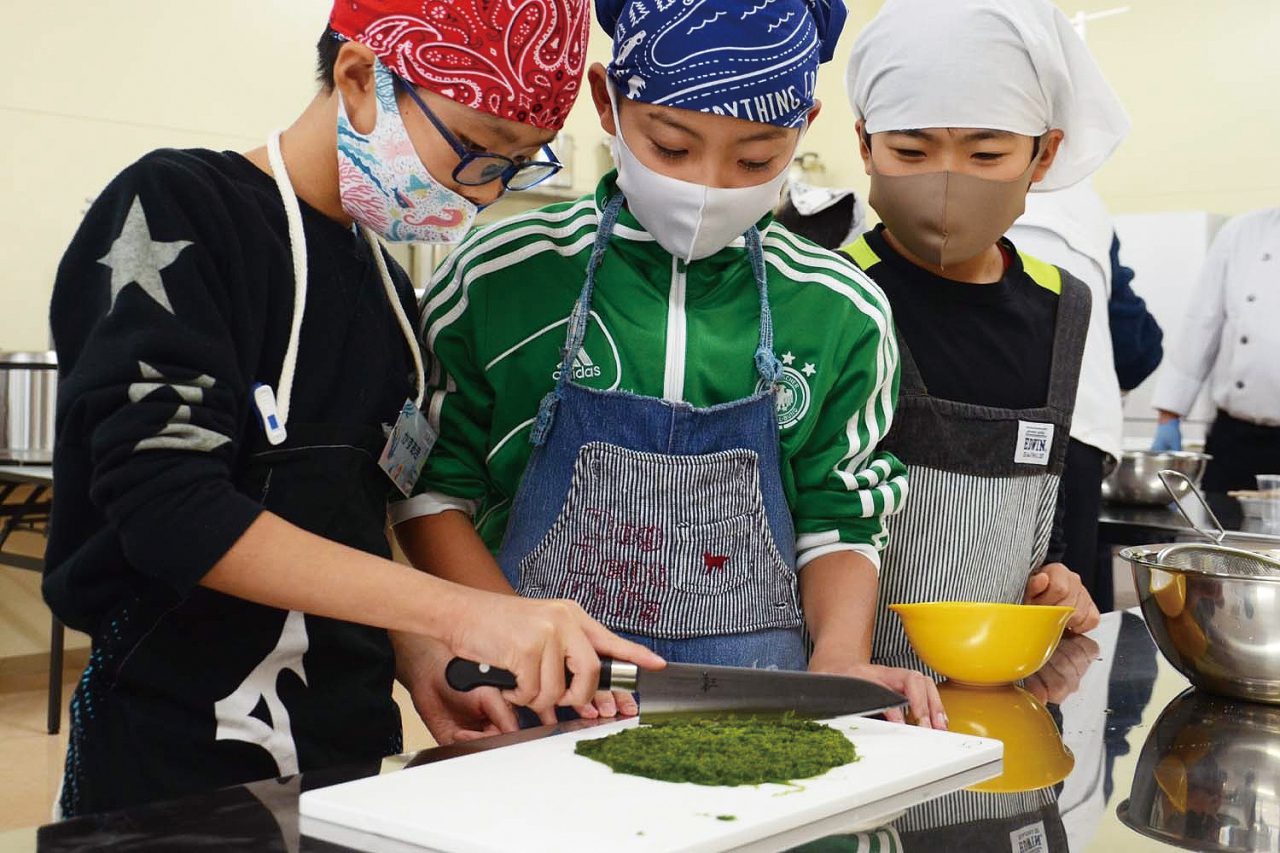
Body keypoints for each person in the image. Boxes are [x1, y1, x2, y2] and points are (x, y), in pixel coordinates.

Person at [45, 0, 662, 818]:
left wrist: (421, 656)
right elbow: (170, 509)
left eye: (517, 165)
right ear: (361, 76)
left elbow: (350, 519)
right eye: (477, 150)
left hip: (341, 754)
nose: (485, 192)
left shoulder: (392, 297)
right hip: (165, 756)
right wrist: (466, 613)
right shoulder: (175, 213)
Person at [394, 0, 947, 730]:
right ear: (608, 104)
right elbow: (433, 488)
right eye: (671, 147)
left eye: (755, 160)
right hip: (539, 703)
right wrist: (506, 628)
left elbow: (839, 515)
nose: (708, 186)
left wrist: (840, 658)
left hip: (762, 705)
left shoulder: (839, 310)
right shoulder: (501, 276)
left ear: (803, 129)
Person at [841, 0, 1126, 673]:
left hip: (996, 692)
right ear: (865, 145)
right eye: (911, 151)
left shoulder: (1062, 305)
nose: (947, 182)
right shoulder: (832, 295)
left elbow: (1043, 520)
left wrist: (1057, 581)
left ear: (1044, 154)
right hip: (855, 696)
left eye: (987, 153)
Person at [1010, 181, 1139, 614]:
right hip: (1078, 429)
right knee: (1062, 607)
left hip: (1000, 427)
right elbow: (1137, 347)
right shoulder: (1087, 205)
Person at [1151, 207, 1280, 492]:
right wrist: (1169, 415)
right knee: (1221, 519)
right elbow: (1202, 322)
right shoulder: (1242, 231)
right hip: (1236, 439)